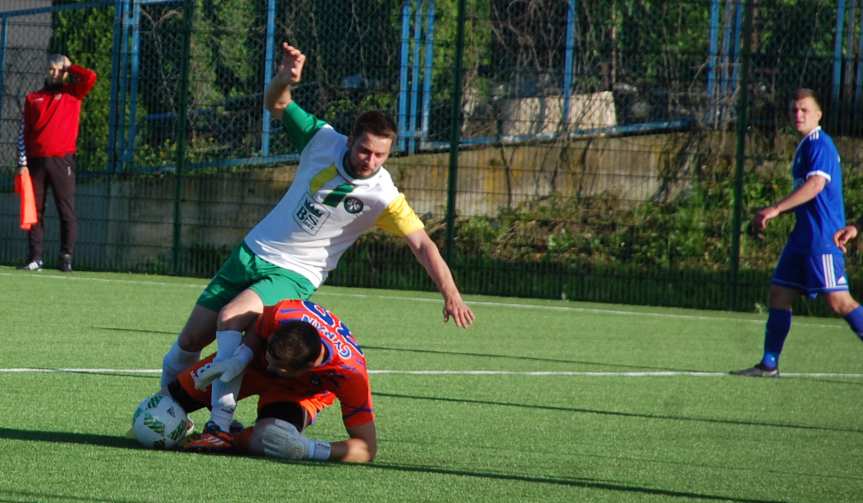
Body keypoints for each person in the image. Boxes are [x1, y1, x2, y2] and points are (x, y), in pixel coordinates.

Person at [158, 43, 474, 416]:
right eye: (364, 151)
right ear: (351, 138)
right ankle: (165, 413)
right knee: (190, 339)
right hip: (251, 252)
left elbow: (422, 244)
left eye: (380, 156)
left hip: (296, 273)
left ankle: (220, 423)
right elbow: (276, 103)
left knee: (232, 317)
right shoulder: (321, 139)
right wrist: (284, 79)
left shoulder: (384, 194)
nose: (370, 161)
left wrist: (450, 292)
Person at [732, 88, 863, 378]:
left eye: (805, 110)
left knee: (839, 301)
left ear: (819, 114)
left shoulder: (820, 145)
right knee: (779, 293)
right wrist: (774, 212)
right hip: (802, 238)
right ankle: (769, 363)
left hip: (821, 239)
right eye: (794, 110)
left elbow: (816, 185)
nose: (799, 115)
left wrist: (776, 209)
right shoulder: (805, 146)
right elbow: (805, 193)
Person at [165, 299, 375, 463]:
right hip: (250, 363)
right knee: (162, 405)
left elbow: (367, 448)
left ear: (308, 368)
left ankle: (230, 438)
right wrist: (241, 358)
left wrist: (310, 449)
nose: (269, 367)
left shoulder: (350, 374)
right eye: (270, 357)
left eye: (277, 368)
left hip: (297, 393)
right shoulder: (283, 312)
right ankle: (224, 428)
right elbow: (257, 327)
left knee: (272, 439)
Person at [17, 53, 97, 273]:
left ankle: (66, 256)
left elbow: (90, 77)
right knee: (35, 212)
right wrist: (21, 161)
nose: (55, 73)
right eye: (51, 69)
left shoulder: (73, 93)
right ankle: (35, 258)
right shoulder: (33, 98)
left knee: (66, 210)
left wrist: (71, 68)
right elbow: (24, 131)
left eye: (59, 70)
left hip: (63, 161)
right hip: (35, 162)